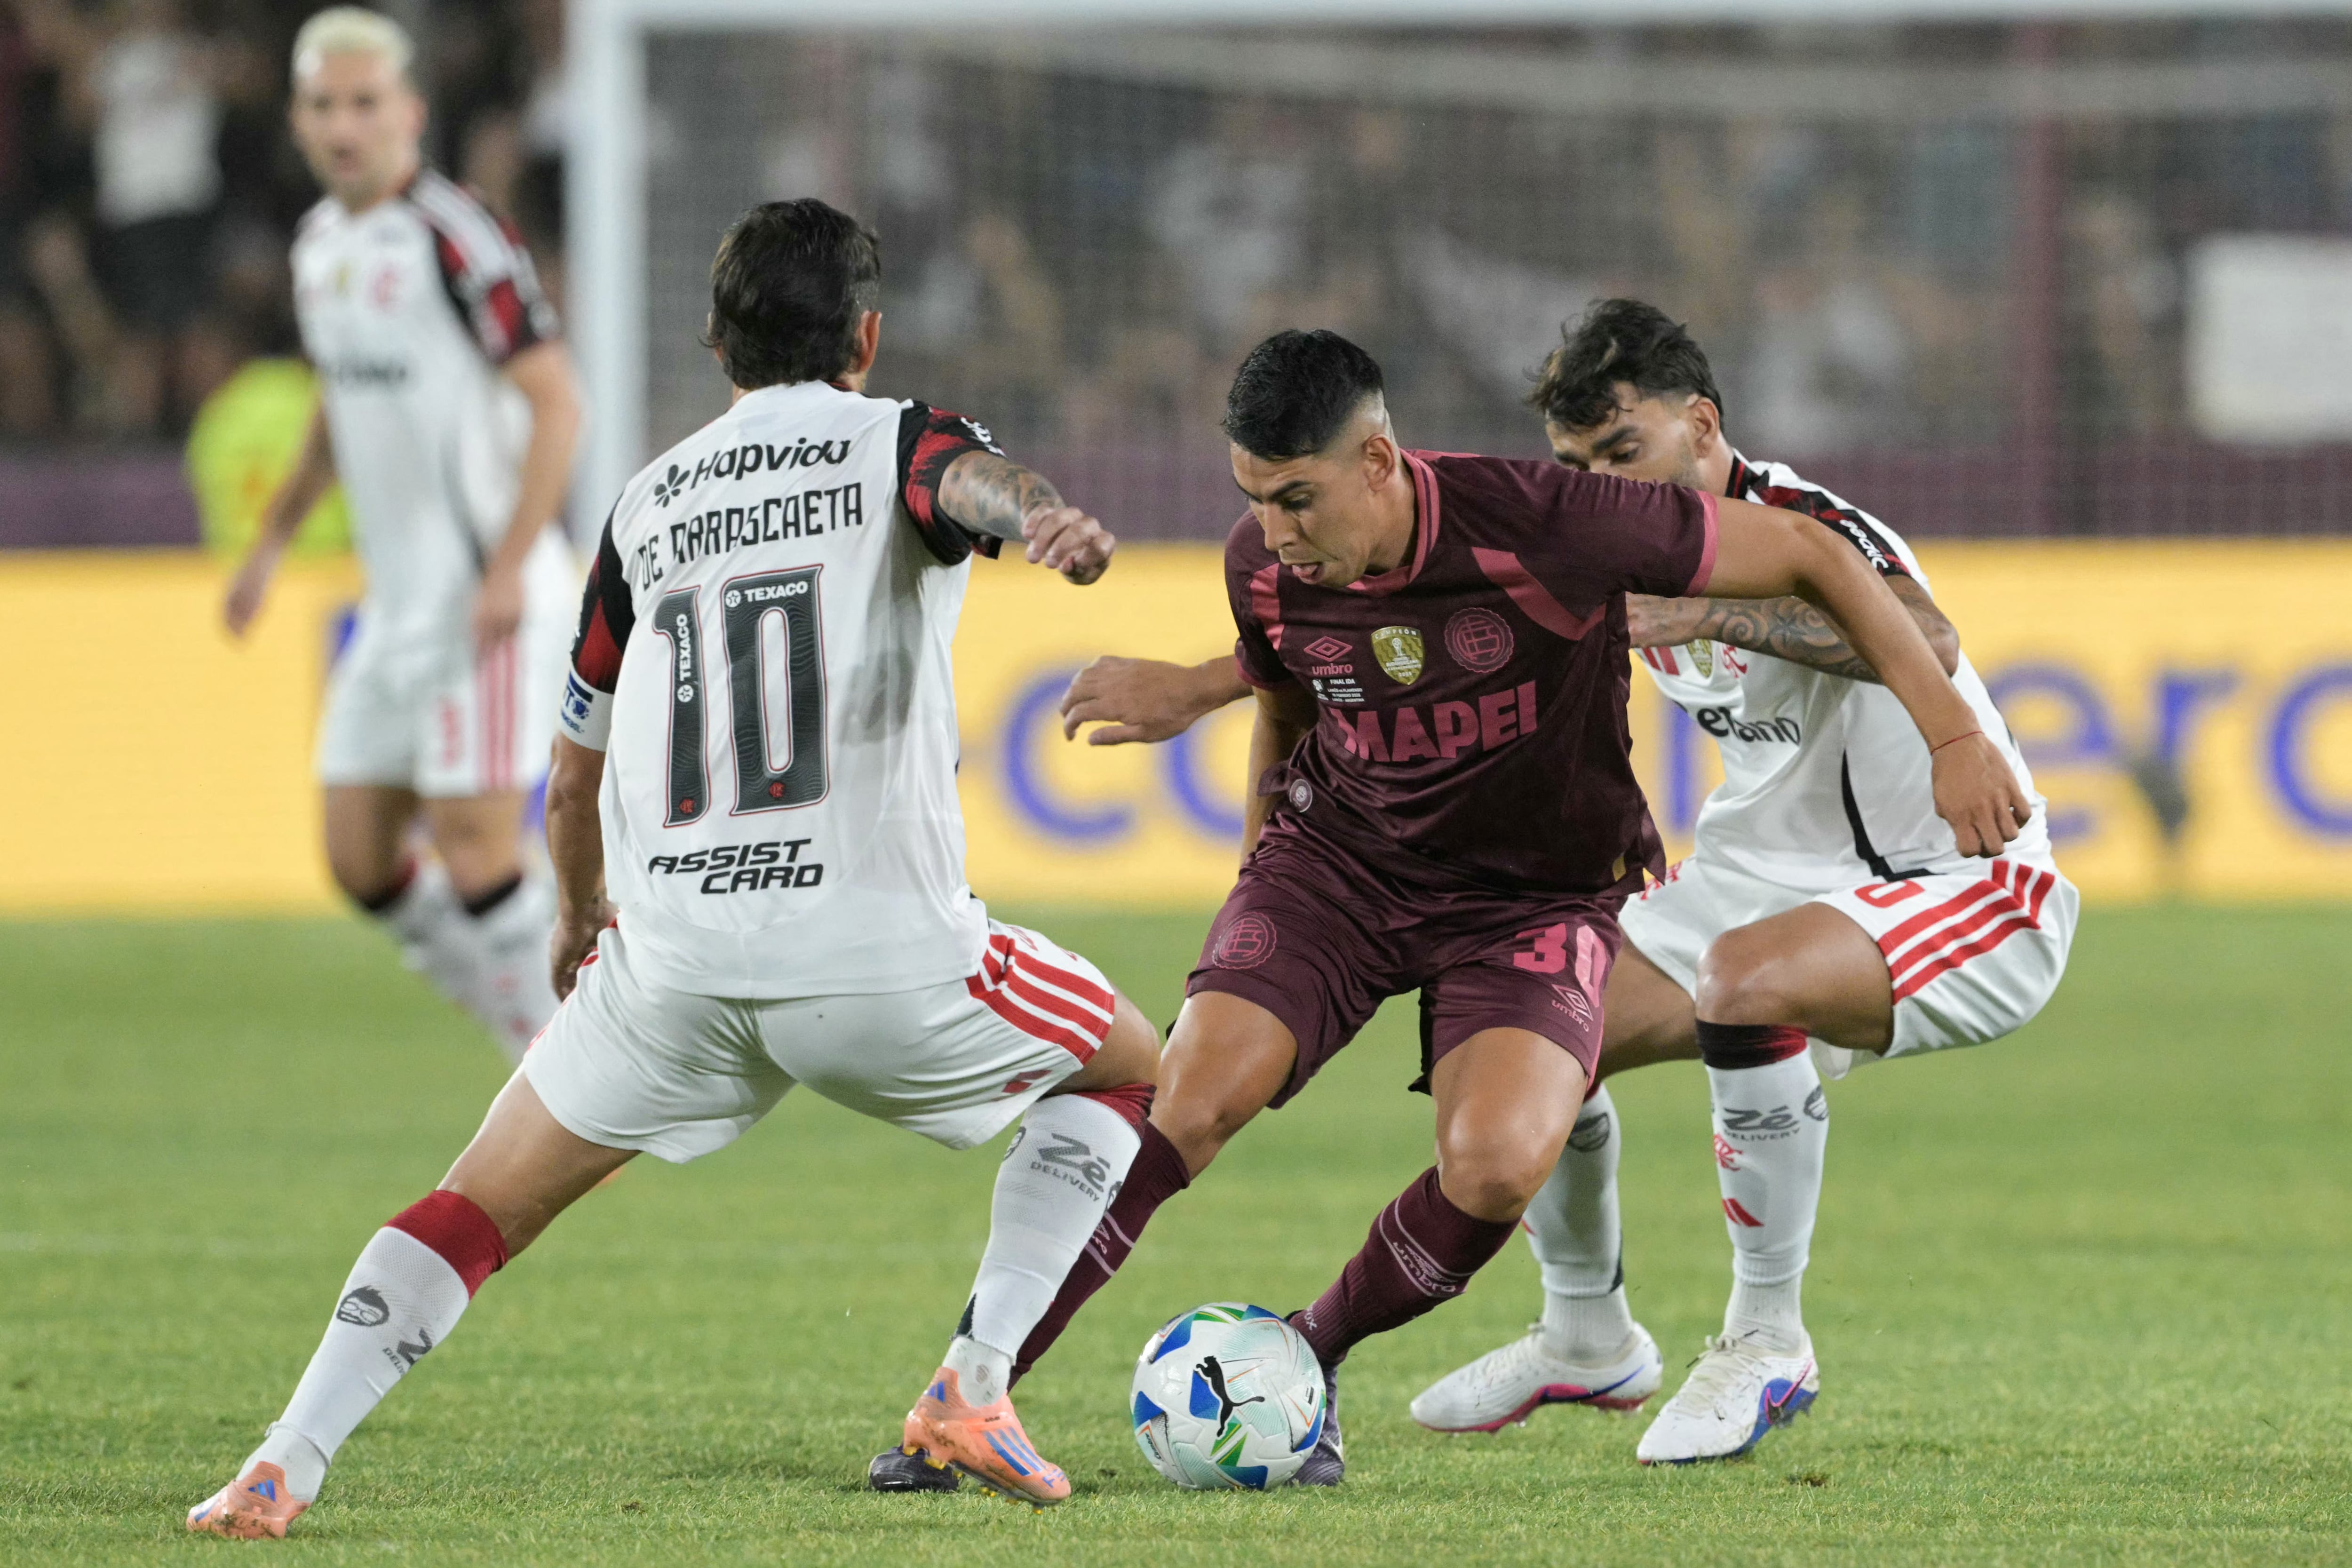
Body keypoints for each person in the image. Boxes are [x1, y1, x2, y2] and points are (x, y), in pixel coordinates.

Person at [185, 197, 1162, 1540]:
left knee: (473, 1203)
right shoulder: (898, 438)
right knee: (1134, 1064)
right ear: (867, 335)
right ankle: (971, 1387)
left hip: (676, 965)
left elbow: (573, 769)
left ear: (715, 343)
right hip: (882, 956)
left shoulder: (647, 503)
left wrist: (578, 918)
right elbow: (968, 486)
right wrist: (1043, 518)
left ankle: (282, 1458)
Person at [988, 326, 2027, 1488]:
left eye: (1623, 448)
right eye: (1579, 459)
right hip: (1753, 881)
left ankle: (1767, 1338)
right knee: (1546, 1053)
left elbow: (1921, 628)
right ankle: (1586, 1335)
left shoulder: (1744, 522)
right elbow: (1379, 623)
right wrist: (1207, 684)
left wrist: (1937, 729)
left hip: (1948, 875)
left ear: (1701, 424)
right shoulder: (1571, 534)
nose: (1602, 485)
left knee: (1742, 980)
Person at [221, 8, 581, 1058]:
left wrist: (512, 564)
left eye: (366, 103)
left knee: (475, 848)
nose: (345, 126)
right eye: (324, 106)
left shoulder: (456, 234)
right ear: (297, 118)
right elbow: (339, 406)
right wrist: (270, 544)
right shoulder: (320, 246)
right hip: (398, 610)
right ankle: (532, 1004)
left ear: (411, 111)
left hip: (486, 599)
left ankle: (563, 1076)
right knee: (357, 854)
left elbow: (559, 402)